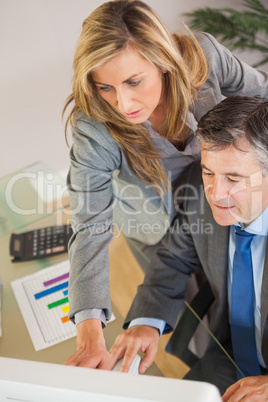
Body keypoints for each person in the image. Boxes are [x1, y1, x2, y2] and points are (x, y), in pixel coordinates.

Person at [63, 0, 268, 370]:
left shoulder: (202, 57)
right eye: (105, 87)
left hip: (235, 201)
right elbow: (89, 225)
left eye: (133, 81)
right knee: (198, 306)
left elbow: (263, 99)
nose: (122, 103)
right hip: (160, 225)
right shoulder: (94, 125)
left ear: (163, 59)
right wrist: (90, 334)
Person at [109, 95, 268, 399]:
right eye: (209, 172)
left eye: (234, 178)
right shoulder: (198, 187)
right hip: (230, 351)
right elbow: (172, 258)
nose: (215, 193)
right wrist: (147, 322)